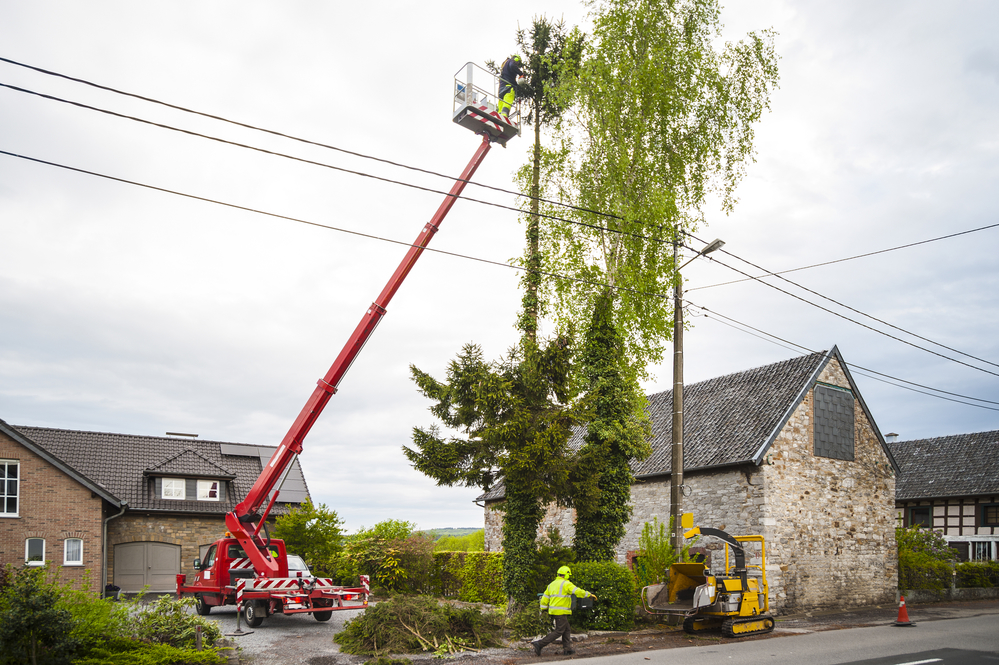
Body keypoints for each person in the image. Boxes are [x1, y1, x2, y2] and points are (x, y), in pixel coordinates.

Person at [532, 566, 597, 656]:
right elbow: (577, 591)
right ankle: (539, 644)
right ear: (566, 575)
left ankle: (567, 649)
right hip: (561, 612)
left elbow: (544, 599)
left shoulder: (551, 584)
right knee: (559, 631)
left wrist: (543, 609)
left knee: (567, 629)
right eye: (568, 575)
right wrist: (589, 595)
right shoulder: (566, 584)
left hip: (554, 611)